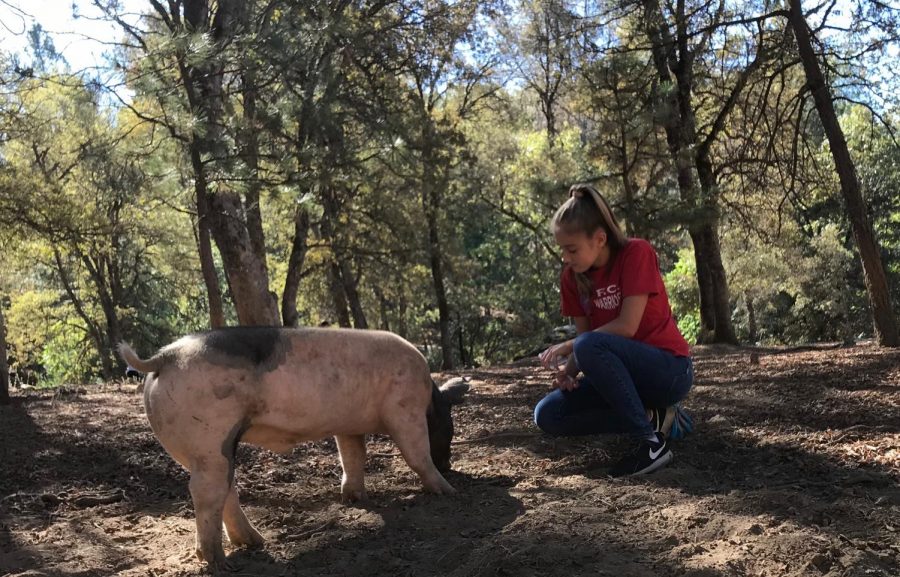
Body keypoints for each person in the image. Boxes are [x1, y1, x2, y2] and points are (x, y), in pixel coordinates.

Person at [534, 183, 694, 477]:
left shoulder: (637, 253)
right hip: (620, 377)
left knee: (585, 345)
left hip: (668, 371)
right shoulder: (573, 278)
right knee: (547, 414)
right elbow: (588, 342)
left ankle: (650, 444)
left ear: (599, 239)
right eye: (562, 250)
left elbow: (626, 327)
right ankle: (656, 419)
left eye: (572, 249)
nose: (565, 258)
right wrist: (568, 374)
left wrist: (570, 346)